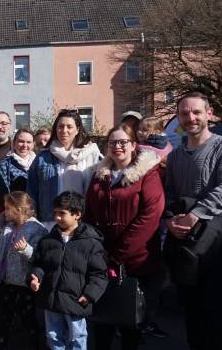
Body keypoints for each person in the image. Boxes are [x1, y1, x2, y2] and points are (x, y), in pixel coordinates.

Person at [163, 92, 222, 350]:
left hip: (216, 239)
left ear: (209, 113)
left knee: (214, 308)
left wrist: (194, 215)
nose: (190, 117)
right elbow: (170, 193)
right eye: (184, 113)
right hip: (185, 240)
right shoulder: (174, 156)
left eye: (196, 112)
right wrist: (171, 220)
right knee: (190, 306)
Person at [85, 125, 165, 350]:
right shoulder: (100, 176)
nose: (117, 146)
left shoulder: (148, 174)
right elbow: (90, 213)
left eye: (122, 142)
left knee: (130, 325)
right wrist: (96, 250)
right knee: (102, 325)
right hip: (103, 260)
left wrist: (118, 255)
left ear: (133, 145)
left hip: (137, 261)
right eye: (112, 143)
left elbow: (150, 216)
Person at [30, 191, 108, 350]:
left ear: (77, 214)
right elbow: (40, 264)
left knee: (77, 336)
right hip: (51, 298)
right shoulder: (48, 241)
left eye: (62, 213)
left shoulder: (91, 243)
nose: (57, 217)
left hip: (76, 300)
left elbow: (99, 274)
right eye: (55, 213)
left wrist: (89, 295)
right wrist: (36, 277)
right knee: (52, 336)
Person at [0, 191, 48, 348]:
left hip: (24, 282)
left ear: (19, 210)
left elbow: (40, 257)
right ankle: (2, 344)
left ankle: (35, 345)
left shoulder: (36, 228)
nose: (4, 211)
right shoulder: (8, 226)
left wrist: (25, 248)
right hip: (6, 280)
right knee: (5, 318)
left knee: (28, 319)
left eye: (7, 208)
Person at [27, 110, 102, 225]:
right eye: (60, 126)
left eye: (69, 127)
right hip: (50, 221)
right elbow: (31, 192)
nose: (64, 131)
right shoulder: (42, 157)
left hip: (81, 221)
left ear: (77, 130)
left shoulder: (91, 155)